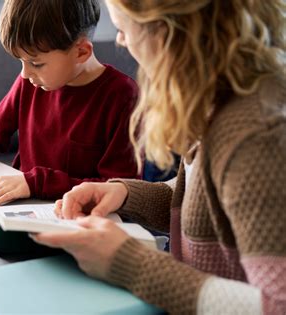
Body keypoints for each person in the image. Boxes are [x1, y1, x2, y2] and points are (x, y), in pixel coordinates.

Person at [32, 0, 286, 314]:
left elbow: (278, 305)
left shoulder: (254, 134)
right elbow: (208, 200)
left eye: (123, 29)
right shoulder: (220, 98)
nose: (121, 41)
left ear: (167, 32)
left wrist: (131, 264)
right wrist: (125, 194)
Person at [0, 0, 140, 206]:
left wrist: (35, 183)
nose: (25, 74)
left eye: (36, 63)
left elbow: (120, 189)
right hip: (20, 209)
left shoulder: (123, 98)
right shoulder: (31, 83)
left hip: (81, 223)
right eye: (21, 61)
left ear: (81, 52)